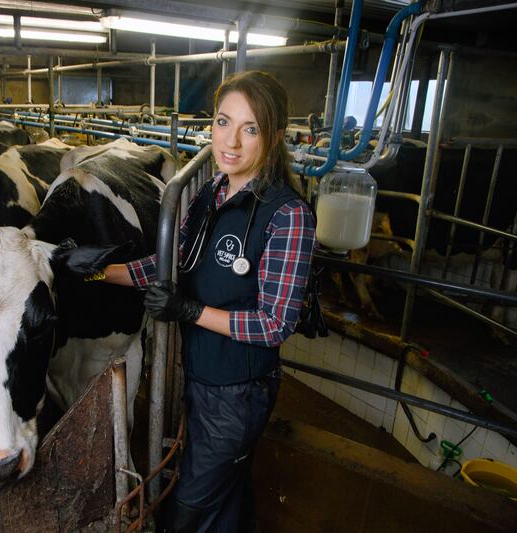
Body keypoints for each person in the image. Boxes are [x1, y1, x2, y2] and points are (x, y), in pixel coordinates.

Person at [92, 70, 316, 531]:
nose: (230, 140)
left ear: (273, 138)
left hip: (239, 392)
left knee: (189, 509)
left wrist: (190, 311)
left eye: (250, 128)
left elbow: (275, 323)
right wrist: (95, 272)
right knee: (225, 492)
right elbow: (169, 263)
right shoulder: (211, 194)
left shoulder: (287, 215)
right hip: (201, 378)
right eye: (222, 121)